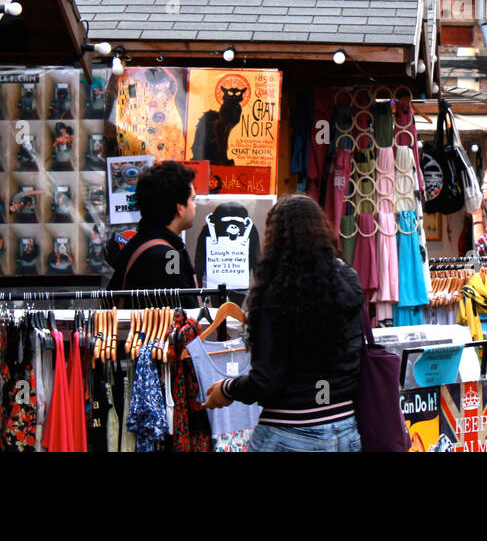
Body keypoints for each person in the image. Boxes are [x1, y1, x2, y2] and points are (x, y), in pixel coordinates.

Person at [203, 194, 364, 451]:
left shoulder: (276, 292)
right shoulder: (346, 281)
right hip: (345, 429)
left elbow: (266, 382)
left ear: (274, 239)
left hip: (288, 430)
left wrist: (228, 388)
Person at [107, 160, 199, 292]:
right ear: (180, 208)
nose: (195, 206)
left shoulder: (139, 244)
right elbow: (179, 309)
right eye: (192, 200)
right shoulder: (167, 256)